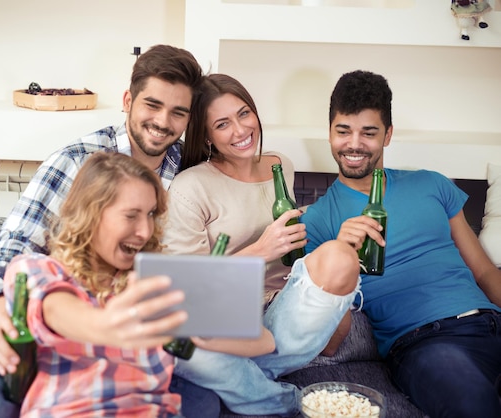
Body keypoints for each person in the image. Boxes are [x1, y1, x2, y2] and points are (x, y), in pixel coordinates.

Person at [0, 44, 215, 418]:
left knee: (200, 404)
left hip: (108, 310)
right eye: (152, 105)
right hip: (25, 304)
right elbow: (14, 249)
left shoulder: (185, 170)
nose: (163, 122)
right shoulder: (79, 160)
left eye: (178, 112)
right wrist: (1, 314)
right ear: (128, 100)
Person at [300, 69, 501, 418]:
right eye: (343, 131)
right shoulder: (317, 221)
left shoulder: (432, 185)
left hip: (490, 322)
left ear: (388, 135)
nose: (354, 144)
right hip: (426, 343)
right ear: (329, 133)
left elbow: (483, 270)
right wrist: (342, 254)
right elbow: (331, 343)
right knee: (473, 405)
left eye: (369, 132)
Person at [162, 73, 362, 416]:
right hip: (221, 324)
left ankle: (236, 378)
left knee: (341, 257)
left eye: (244, 114)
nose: (240, 131)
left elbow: (292, 244)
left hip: (285, 313)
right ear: (206, 135)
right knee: (177, 345)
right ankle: (280, 400)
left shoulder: (280, 164)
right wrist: (258, 251)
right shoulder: (190, 187)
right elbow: (189, 293)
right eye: (222, 124)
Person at [3, 152, 188, 416]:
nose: (145, 231)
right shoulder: (34, 270)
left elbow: (260, 342)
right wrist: (109, 325)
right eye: (131, 215)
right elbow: (57, 310)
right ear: (91, 214)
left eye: (149, 214)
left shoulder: (153, 284)